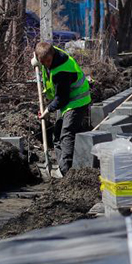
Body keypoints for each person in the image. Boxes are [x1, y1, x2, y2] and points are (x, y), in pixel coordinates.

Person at [34, 42, 91, 172]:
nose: (46, 65)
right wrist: (35, 61)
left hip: (77, 100)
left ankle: (67, 172)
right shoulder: (47, 54)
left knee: (66, 134)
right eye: (42, 62)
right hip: (65, 102)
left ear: (52, 55)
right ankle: (61, 167)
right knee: (57, 135)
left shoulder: (63, 70)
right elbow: (39, 50)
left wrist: (48, 110)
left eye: (48, 61)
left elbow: (62, 98)